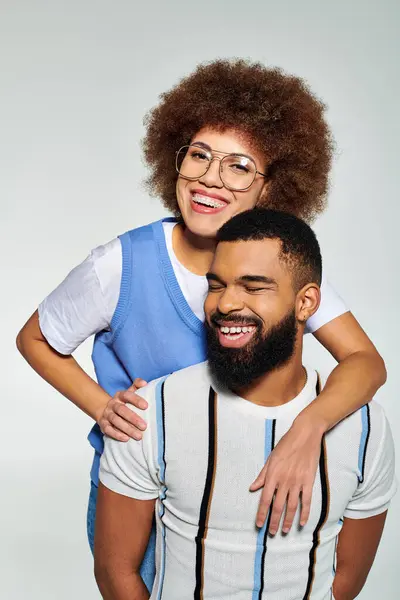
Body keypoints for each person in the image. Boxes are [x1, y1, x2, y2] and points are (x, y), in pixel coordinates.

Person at [16, 60, 386, 591]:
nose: (211, 177)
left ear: (272, 188)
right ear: (176, 161)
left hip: (246, 491)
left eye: (239, 166)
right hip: (140, 489)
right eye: (199, 155)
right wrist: (103, 406)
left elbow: (366, 362)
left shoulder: (279, 271)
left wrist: (309, 428)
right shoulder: (122, 263)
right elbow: (36, 338)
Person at [95, 209, 396, 600]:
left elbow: (346, 582)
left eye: (253, 287)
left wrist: (308, 426)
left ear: (306, 303)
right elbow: (115, 570)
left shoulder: (365, 429)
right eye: (217, 286)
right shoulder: (151, 412)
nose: (225, 304)